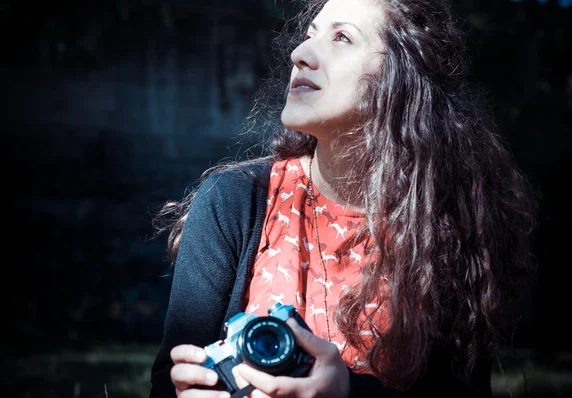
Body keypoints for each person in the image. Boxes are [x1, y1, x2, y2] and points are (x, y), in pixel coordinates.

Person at [149, 0, 537, 396]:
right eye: (309, 35)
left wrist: (347, 392)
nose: (300, 55)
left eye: (341, 38)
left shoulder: (445, 230)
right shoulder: (235, 201)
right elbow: (169, 379)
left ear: (401, 76)